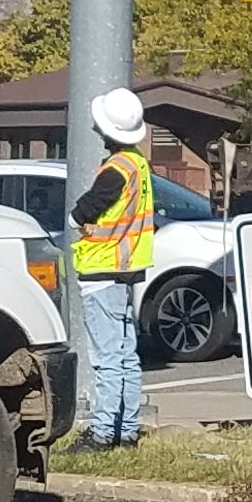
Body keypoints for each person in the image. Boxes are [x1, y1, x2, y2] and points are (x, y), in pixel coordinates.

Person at [65, 87, 158, 451]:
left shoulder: (115, 169)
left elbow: (87, 209)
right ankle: (127, 430)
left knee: (107, 359)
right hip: (126, 269)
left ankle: (103, 433)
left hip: (102, 270)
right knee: (125, 355)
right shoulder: (137, 165)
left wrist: (77, 218)